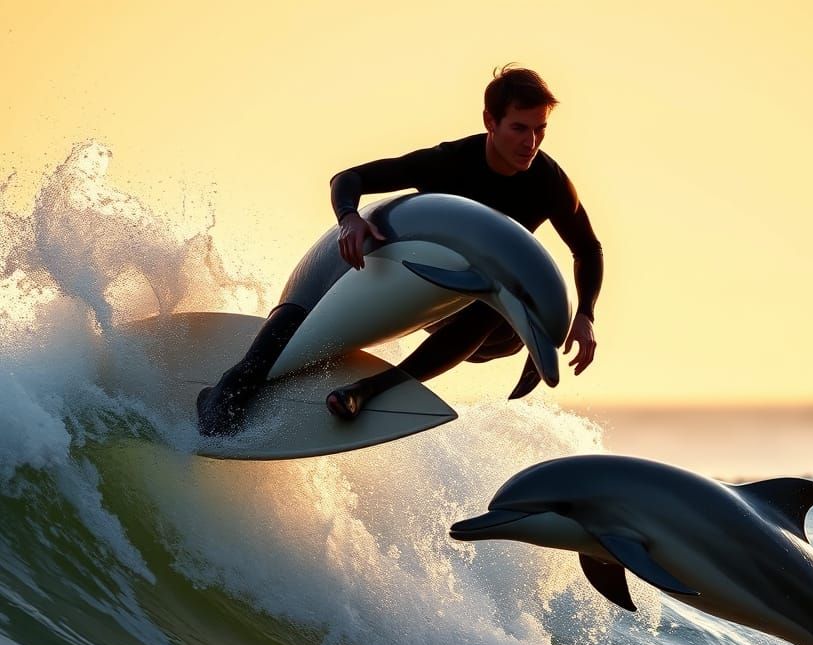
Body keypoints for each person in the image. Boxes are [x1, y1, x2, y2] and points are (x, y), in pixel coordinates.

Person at [197, 66, 602, 436]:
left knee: (488, 294)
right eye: (519, 128)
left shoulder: (549, 182)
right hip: (420, 291)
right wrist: (349, 218)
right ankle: (229, 391)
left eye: (540, 130)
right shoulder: (451, 162)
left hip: (487, 325)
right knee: (257, 367)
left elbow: (588, 248)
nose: (531, 143)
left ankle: (370, 390)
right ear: (490, 122)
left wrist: (584, 314)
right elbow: (349, 178)